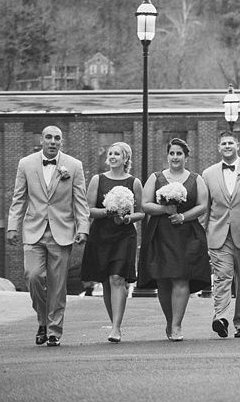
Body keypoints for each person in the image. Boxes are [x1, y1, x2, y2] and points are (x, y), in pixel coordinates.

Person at [6, 125, 89, 347]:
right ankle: (42, 320)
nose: (53, 141)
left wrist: (83, 228)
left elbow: (80, 201)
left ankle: (53, 331)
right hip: (33, 231)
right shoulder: (26, 163)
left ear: (62, 142)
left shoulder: (74, 166)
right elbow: (19, 198)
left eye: (57, 138)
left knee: (58, 285)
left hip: (62, 233)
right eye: (49, 137)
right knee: (33, 276)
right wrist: (12, 226)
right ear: (41, 140)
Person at [137, 138, 211, 341]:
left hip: (187, 234)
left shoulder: (196, 179)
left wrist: (182, 216)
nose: (175, 157)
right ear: (167, 156)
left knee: (181, 277)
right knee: (163, 281)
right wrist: (164, 209)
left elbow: (202, 205)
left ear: (186, 157)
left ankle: (177, 325)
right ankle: (169, 321)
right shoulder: (156, 177)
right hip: (160, 233)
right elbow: (145, 204)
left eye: (179, 154)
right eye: (172, 153)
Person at [201, 131, 240, 339]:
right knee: (222, 276)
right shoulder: (208, 174)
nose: (227, 146)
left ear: (237, 145)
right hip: (218, 233)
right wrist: (202, 233)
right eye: (223, 143)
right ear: (219, 148)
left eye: (230, 143)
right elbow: (206, 206)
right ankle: (220, 317)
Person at [79, 141, 144, 343]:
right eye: (111, 153)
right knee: (107, 282)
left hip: (124, 235)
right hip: (101, 234)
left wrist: (127, 218)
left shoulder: (134, 182)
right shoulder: (98, 180)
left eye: (118, 154)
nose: (113, 156)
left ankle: (116, 327)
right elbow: (88, 210)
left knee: (117, 279)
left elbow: (141, 212)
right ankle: (114, 322)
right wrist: (109, 212)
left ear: (126, 159)